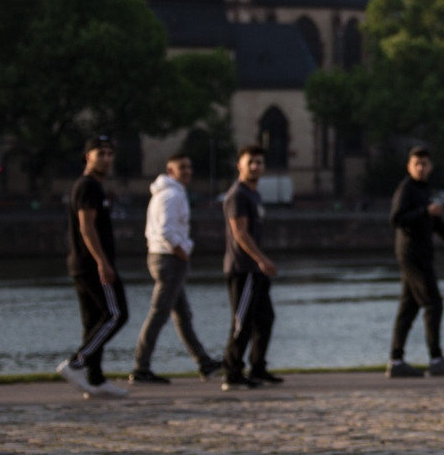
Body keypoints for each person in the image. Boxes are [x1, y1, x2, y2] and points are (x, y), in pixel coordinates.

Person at [129, 153, 222, 385]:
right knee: (159, 313)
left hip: (165, 257)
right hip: (169, 259)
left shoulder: (168, 193)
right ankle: (141, 368)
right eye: (182, 167)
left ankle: (204, 362)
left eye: (189, 167)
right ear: (170, 171)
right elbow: (166, 230)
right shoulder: (171, 195)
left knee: (183, 315)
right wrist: (182, 250)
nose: (187, 171)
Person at [387, 146, 444, 378]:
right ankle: (436, 359)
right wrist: (425, 212)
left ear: (430, 166)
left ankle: (396, 362)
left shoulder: (423, 190)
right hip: (412, 255)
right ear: (409, 166)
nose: (421, 167)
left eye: (424, 164)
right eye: (416, 164)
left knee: (408, 308)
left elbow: (436, 224)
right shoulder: (406, 189)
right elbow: (396, 218)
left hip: (419, 255)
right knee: (433, 304)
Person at [57, 135, 129, 399]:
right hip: (92, 265)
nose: (107, 159)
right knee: (116, 314)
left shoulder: (93, 187)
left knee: (93, 322)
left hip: (83, 265)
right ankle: (77, 364)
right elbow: (86, 227)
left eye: (110, 154)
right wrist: (102, 262)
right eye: (101, 154)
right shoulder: (88, 187)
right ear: (88, 156)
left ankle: (96, 380)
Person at [220, 144, 280, 390]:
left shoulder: (254, 194)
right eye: (250, 162)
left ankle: (257, 368)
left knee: (265, 318)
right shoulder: (238, 195)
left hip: (256, 270)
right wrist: (261, 259)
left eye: (259, 162)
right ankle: (232, 373)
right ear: (240, 165)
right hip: (243, 268)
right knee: (242, 321)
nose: (255, 166)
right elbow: (240, 233)